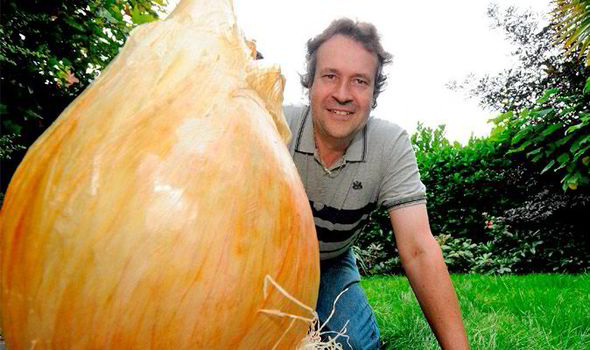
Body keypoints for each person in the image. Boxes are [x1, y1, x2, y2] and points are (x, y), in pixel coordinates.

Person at [283, 18, 470, 349]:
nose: (342, 94)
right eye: (330, 76)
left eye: (359, 81)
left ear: (374, 93)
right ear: (309, 83)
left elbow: (419, 249)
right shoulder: (276, 126)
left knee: (354, 343)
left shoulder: (390, 145)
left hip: (330, 261)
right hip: (268, 259)